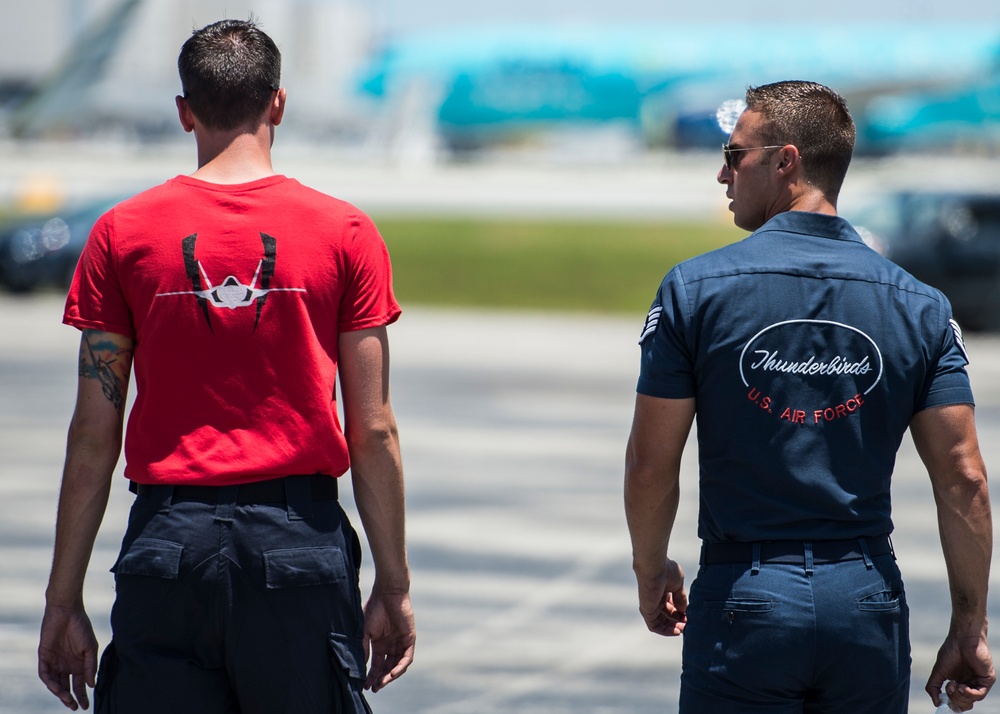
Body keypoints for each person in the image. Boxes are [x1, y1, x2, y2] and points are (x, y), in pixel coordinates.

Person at [37, 18, 414, 713]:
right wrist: (392, 586)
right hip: (297, 547)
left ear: (184, 112)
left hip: (166, 547)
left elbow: (94, 432)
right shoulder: (345, 232)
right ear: (278, 104)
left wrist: (63, 600)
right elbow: (374, 429)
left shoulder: (121, 234)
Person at [624, 80, 993, 713]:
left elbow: (650, 463)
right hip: (866, 600)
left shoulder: (695, 290)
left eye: (734, 154)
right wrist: (971, 624)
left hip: (747, 595)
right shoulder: (922, 306)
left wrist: (650, 570)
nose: (722, 173)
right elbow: (963, 475)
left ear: (784, 161)